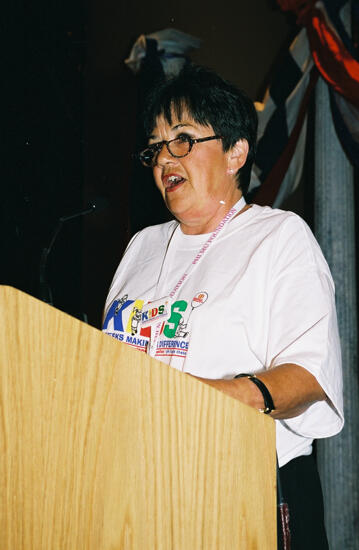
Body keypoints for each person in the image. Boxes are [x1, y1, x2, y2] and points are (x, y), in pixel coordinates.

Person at [102, 64, 344, 548]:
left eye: (183, 139)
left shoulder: (278, 236)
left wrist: (192, 401)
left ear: (236, 152)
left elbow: (308, 376)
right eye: (155, 147)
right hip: (137, 486)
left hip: (243, 489)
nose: (163, 158)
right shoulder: (141, 246)